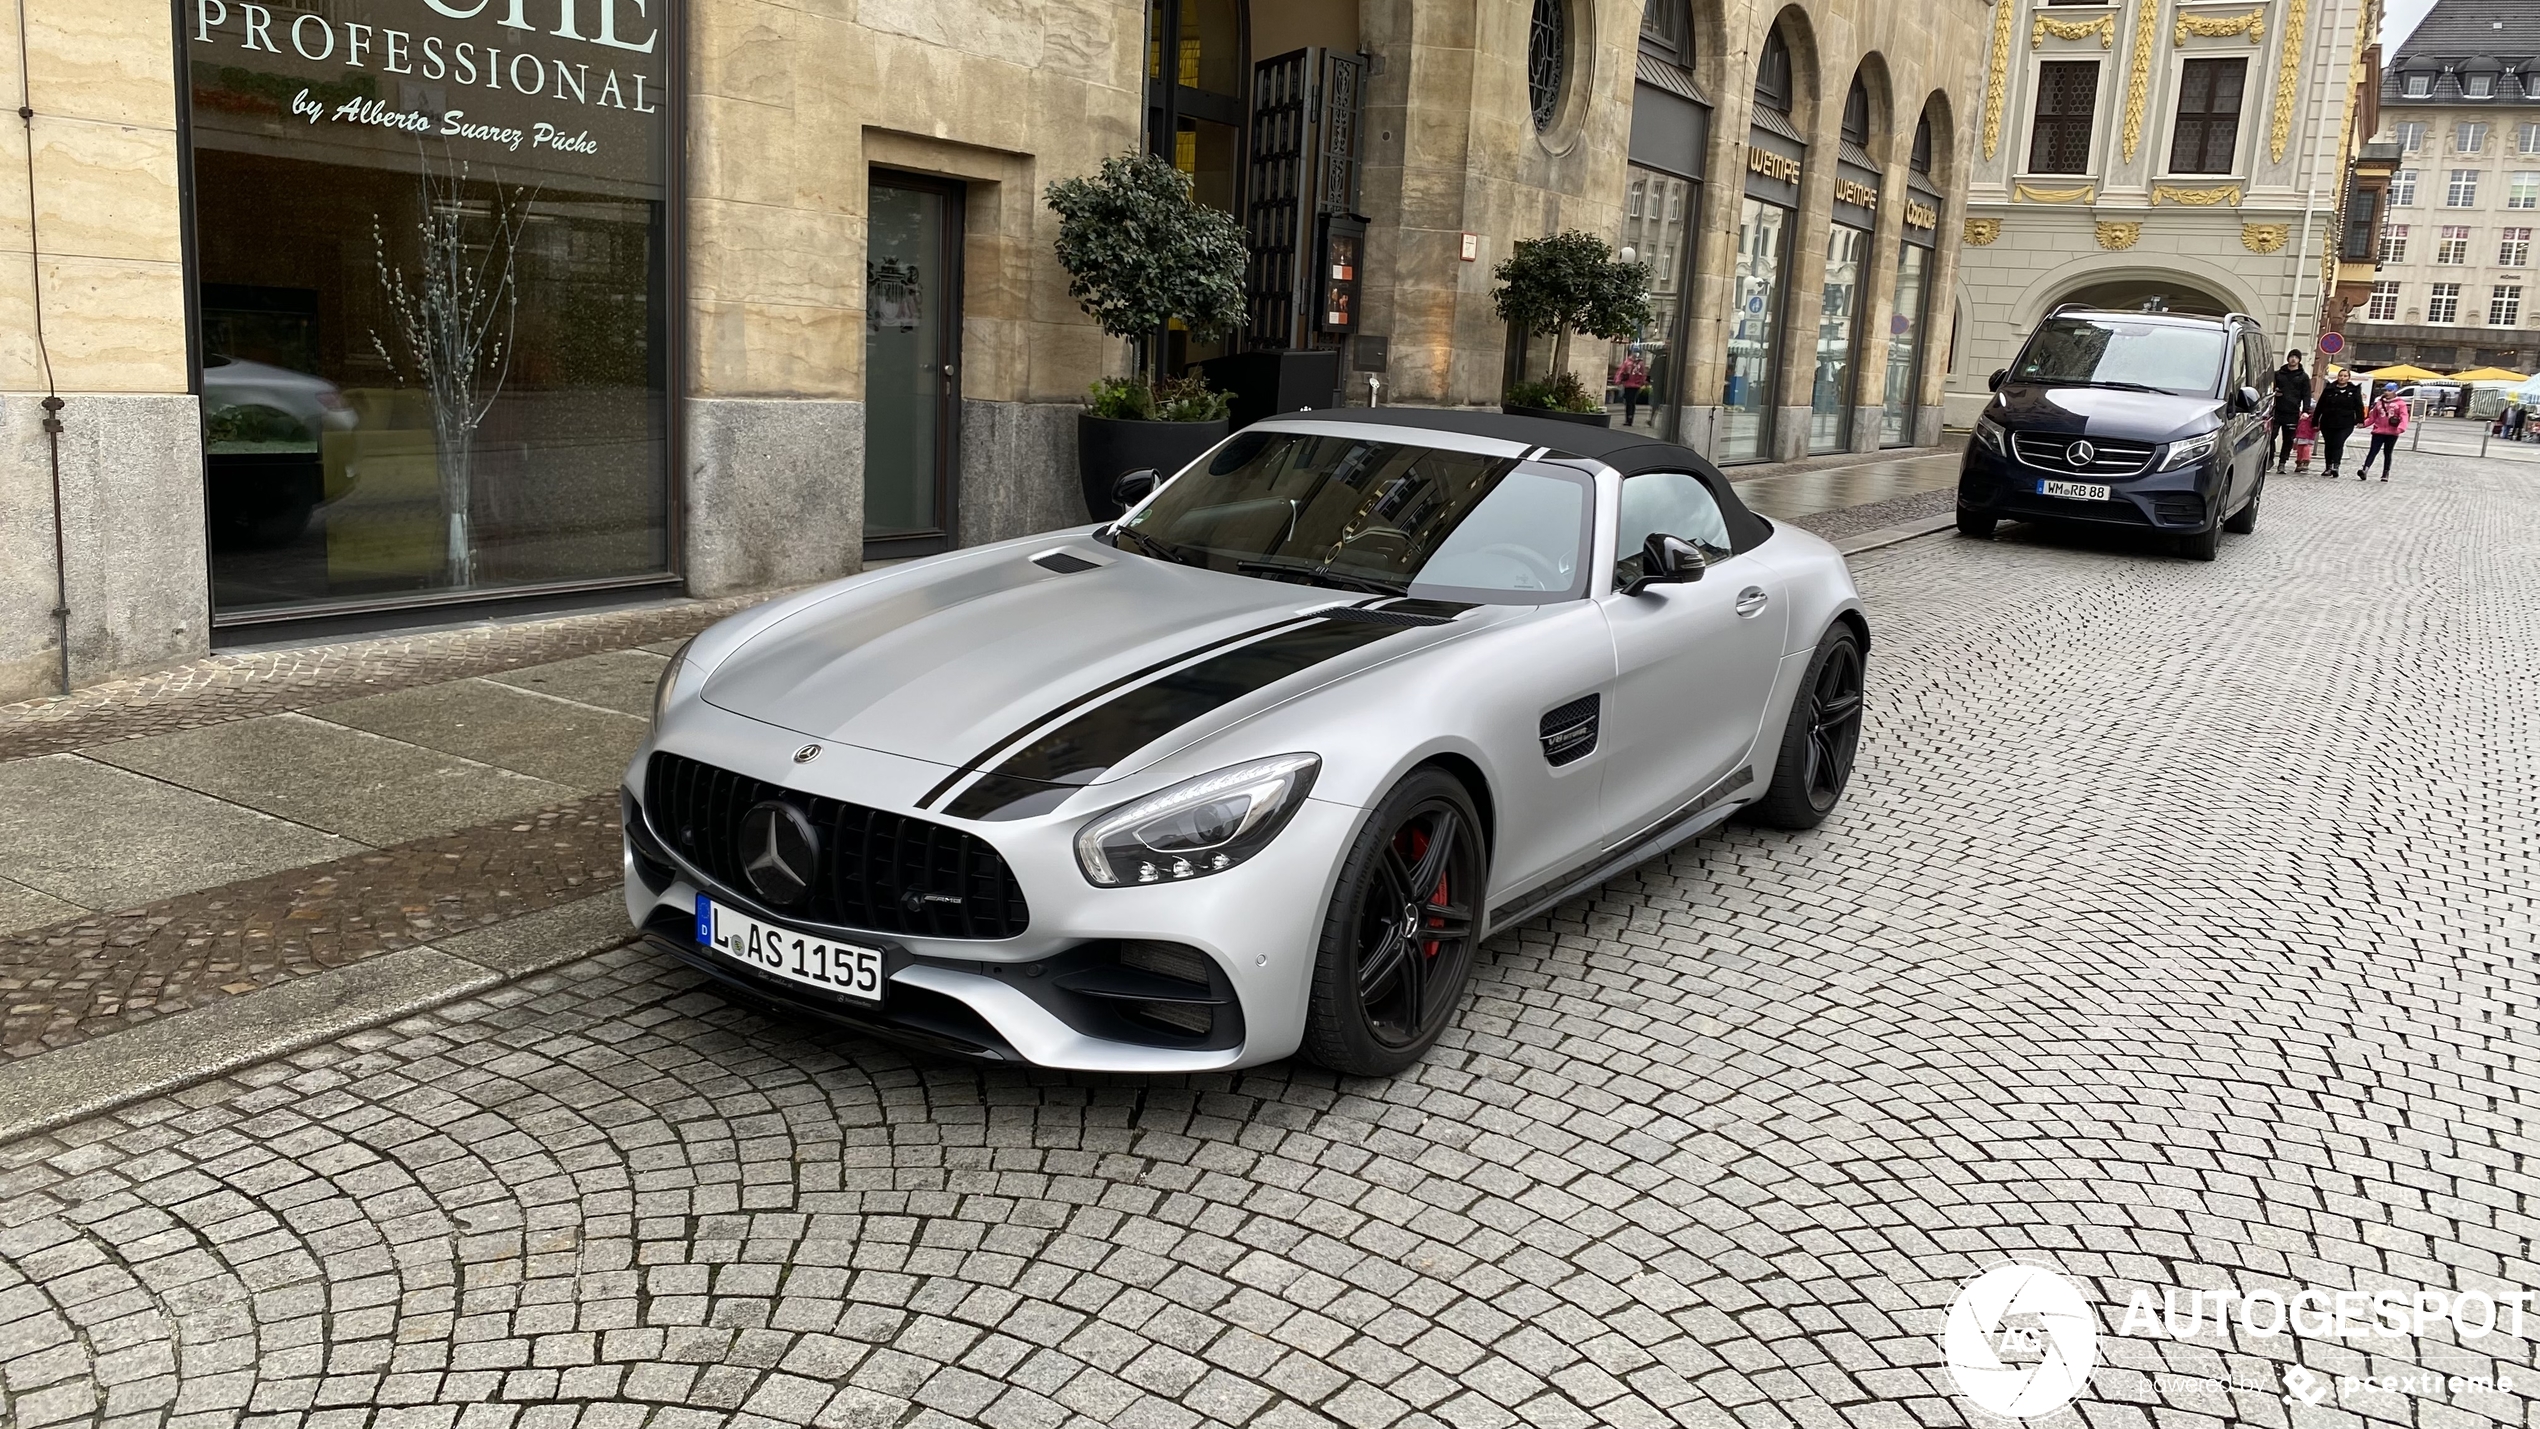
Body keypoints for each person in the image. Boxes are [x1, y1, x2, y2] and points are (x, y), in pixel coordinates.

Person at [2313, 367, 2364, 478]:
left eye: (2345, 376)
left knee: (2338, 443)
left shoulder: (2353, 390)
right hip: (2328, 421)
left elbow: (2359, 406)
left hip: (2345, 423)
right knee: (2329, 444)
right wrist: (2315, 421)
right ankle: (2328, 466)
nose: (2342, 378)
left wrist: (2360, 420)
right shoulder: (2329, 389)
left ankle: (2336, 466)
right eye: (2340, 375)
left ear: (2349, 378)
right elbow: (2320, 405)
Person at [2270, 349, 2310, 472]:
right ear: (2288, 358)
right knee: (2271, 436)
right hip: (2277, 410)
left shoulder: (2303, 377)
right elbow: (2270, 389)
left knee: (2288, 439)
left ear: (2299, 360)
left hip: (2292, 412)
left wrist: (2305, 410)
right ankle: (2270, 459)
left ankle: (2282, 462)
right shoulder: (2278, 374)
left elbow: (2306, 394)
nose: (2293, 359)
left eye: (2296, 357)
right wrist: (2274, 393)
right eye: (2291, 356)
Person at [2362, 382, 2408, 481]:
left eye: (2389, 390)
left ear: (2395, 391)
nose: (2387, 392)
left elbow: (2404, 417)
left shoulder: (2400, 403)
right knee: (2373, 451)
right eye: (2385, 390)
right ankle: (2365, 470)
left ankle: (2385, 473)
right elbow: (2372, 417)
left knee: (2388, 452)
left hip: (2392, 432)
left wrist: (2401, 428)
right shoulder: (2379, 402)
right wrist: (2364, 424)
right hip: (2378, 431)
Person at [1616, 351, 1650, 427]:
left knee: (1630, 402)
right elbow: (1621, 371)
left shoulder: (1634, 363)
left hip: (1632, 385)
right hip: (1631, 385)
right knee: (1630, 402)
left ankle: (1629, 418)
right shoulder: (1635, 363)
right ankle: (1629, 418)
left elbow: (1621, 371)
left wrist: (1618, 380)